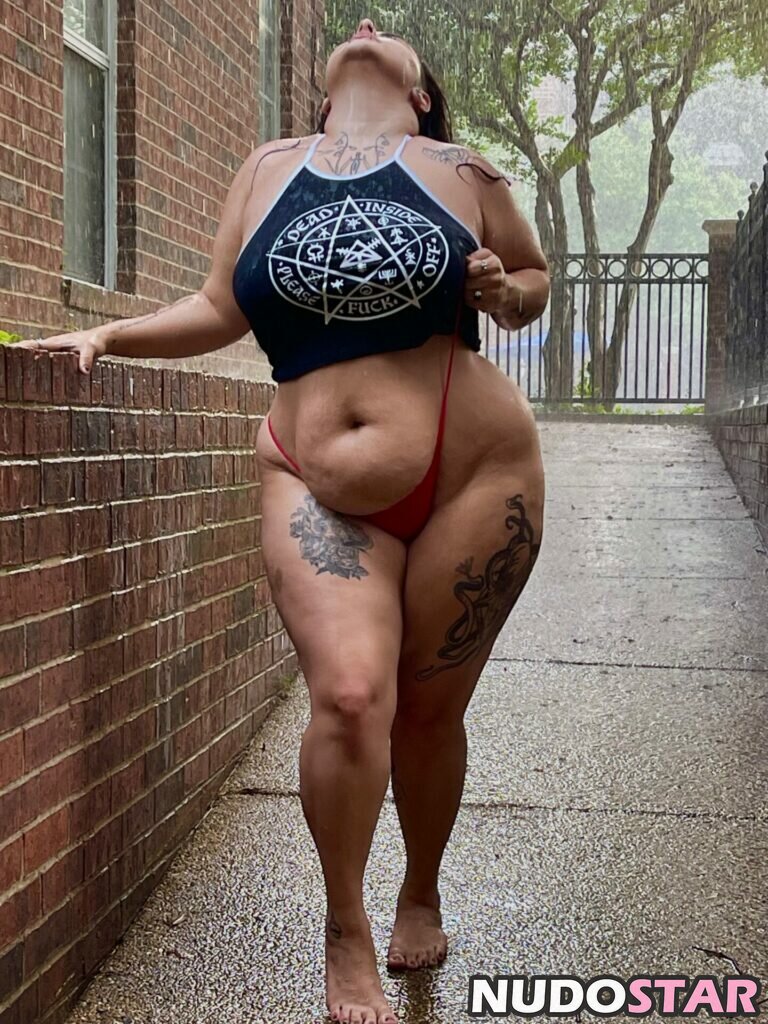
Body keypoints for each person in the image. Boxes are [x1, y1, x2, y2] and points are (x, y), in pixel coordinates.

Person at [20, 17, 549, 1024]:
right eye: (354, 25)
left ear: (421, 93)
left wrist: (503, 289)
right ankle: (346, 929)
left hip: (475, 471)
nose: (364, 24)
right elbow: (219, 306)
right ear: (321, 90)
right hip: (313, 478)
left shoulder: (464, 168)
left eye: (387, 30)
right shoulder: (269, 167)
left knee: (428, 710)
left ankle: (421, 888)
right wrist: (109, 333)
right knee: (350, 695)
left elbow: (533, 282)